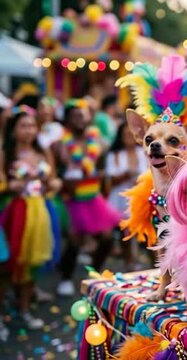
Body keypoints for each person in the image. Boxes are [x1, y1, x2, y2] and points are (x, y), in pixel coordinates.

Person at [0, 106, 62, 329]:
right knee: (8, 264)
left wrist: (53, 183)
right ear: (13, 129)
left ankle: (24, 309)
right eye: (23, 126)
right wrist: (11, 185)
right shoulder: (6, 153)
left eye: (32, 126)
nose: (29, 130)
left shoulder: (43, 152)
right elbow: (2, 184)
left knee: (32, 262)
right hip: (16, 210)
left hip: (42, 210)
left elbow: (54, 180)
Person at [54, 100, 121, 296]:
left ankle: (94, 273)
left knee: (107, 237)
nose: (80, 119)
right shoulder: (60, 144)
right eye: (75, 115)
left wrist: (99, 172)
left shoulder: (96, 140)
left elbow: (102, 163)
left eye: (83, 115)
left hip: (93, 197)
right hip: (72, 199)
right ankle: (66, 277)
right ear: (66, 119)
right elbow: (57, 173)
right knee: (76, 239)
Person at [104, 123, 147, 270]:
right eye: (126, 134)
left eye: (132, 134)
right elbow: (110, 180)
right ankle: (128, 261)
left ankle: (143, 263)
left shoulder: (143, 152)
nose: (129, 137)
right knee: (123, 233)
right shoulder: (114, 154)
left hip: (139, 198)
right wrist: (125, 175)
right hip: (119, 199)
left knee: (143, 234)